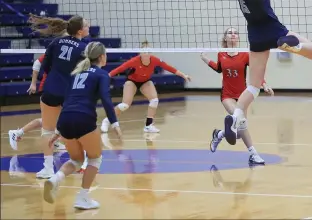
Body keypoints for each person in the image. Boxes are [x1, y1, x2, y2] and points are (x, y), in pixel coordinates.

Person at [207, 0, 312, 145]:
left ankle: (236, 116)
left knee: (253, 87)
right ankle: (294, 47)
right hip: (274, 31)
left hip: (256, 38)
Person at [43, 42, 122, 210]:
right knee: (95, 158)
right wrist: (114, 123)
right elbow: (106, 100)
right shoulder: (102, 74)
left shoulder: (75, 73)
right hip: (84, 118)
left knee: (77, 160)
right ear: (102, 57)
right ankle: (82, 198)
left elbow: (67, 100)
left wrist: (58, 130)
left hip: (65, 119)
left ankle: (54, 179)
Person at [28, 14, 90, 179]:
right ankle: (82, 162)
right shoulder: (83, 48)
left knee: (47, 131)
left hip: (51, 90)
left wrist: (55, 78)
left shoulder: (55, 43)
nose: (89, 27)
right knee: (77, 127)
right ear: (79, 31)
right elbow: (83, 74)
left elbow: (46, 66)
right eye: (87, 25)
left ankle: (47, 168)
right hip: (69, 92)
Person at [201, 27, 273, 164]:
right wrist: (206, 60)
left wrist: (264, 84)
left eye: (235, 33)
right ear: (226, 38)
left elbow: (255, 71)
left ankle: (219, 134)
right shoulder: (221, 54)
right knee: (241, 123)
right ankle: (254, 154)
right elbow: (218, 69)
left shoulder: (245, 55)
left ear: (238, 38)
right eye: (230, 33)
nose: (233, 35)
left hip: (242, 97)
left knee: (239, 132)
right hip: (227, 95)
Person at [101, 40, 191, 133]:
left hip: (145, 82)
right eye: (144, 51)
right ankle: (107, 120)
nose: (146, 54)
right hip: (132, 81)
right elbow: (119, 69)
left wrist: (184, 75)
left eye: (148, 51)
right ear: (140, 52)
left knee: (154, 100)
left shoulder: (154, 60)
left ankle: (148, 126)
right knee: (125, 105)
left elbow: (169, 68)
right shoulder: (134, 61)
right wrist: (106, 76)